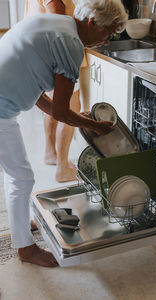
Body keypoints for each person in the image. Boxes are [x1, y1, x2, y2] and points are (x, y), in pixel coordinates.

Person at [0, 0, 128, 267]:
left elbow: (34, 87)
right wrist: (91, 125)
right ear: (93, 22)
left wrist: (78, 118)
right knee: (21, 178)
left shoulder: (56, 25)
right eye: (109, 32)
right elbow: (60, 111)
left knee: (16, 176)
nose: (107, 41)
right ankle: (25, 248)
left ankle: (20, 227)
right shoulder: (70, 43)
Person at [25, 0, 88, 183]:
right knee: (70, 107)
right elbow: (58, 24)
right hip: (58, 54)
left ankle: (50, 153)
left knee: (53, 104)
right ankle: (62, 168)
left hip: (43, 53)